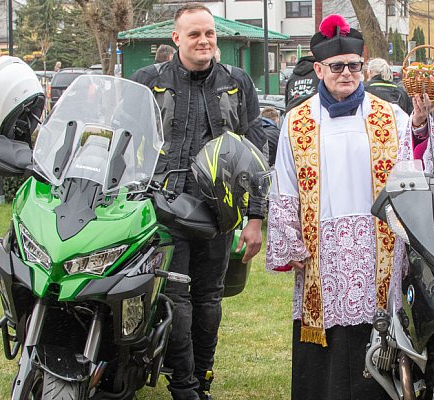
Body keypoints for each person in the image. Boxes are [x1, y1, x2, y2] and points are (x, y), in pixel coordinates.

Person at [265, 14, 434, 400]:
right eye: (338, 66)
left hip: (378, 247)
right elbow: (285, 185)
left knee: (375, 330)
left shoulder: (390, 116)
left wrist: (422, 127)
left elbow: (416, 165)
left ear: (363, 66)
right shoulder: (297, 121)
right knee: (326, 338)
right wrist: (289, 240)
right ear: (320, 68)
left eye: (354, 66)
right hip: (320, 251)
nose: (347, 73)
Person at [129, 3, 268, 400]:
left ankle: (201, 376)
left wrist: (255, 217)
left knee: (208, 301)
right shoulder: (147, 80)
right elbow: (124, 140)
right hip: (161, 209)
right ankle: (184, 385)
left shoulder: (238, 82)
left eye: (209, 33)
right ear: (176, 39)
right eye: (194, 34)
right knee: (174, 298)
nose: (204, 40)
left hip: (218, 213)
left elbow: (255, 154)